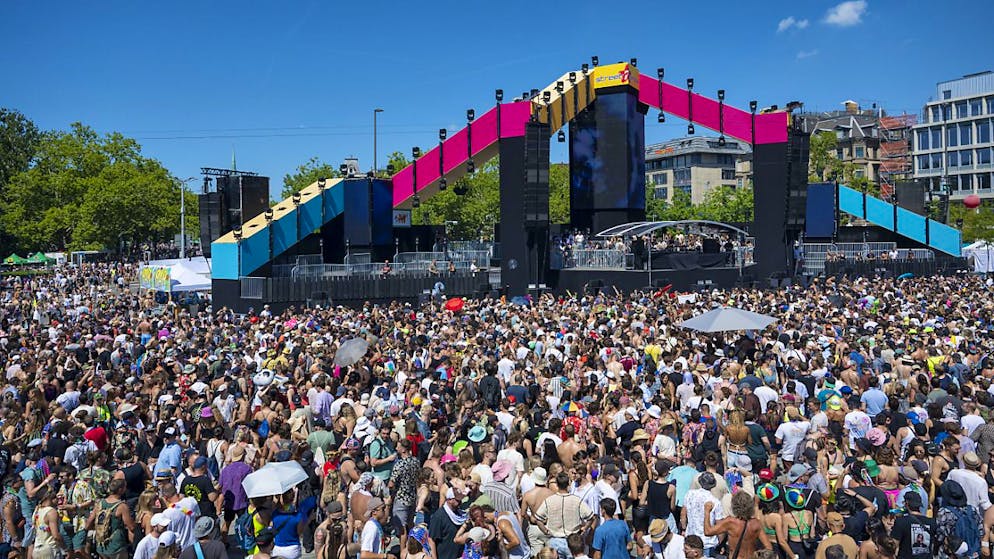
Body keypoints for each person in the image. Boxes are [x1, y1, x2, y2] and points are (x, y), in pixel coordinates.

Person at [703, 491, 771, 559]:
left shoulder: (730, 522)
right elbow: (769, 547)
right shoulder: (756, 524)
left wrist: (707, 511)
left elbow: (708, 532)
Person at [88, 478, 135, 559]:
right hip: (116, 545)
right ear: (120, 489)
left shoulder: (100, 503)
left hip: (101, 545)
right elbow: (131, 526)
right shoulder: (122, 506)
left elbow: (88, 523)